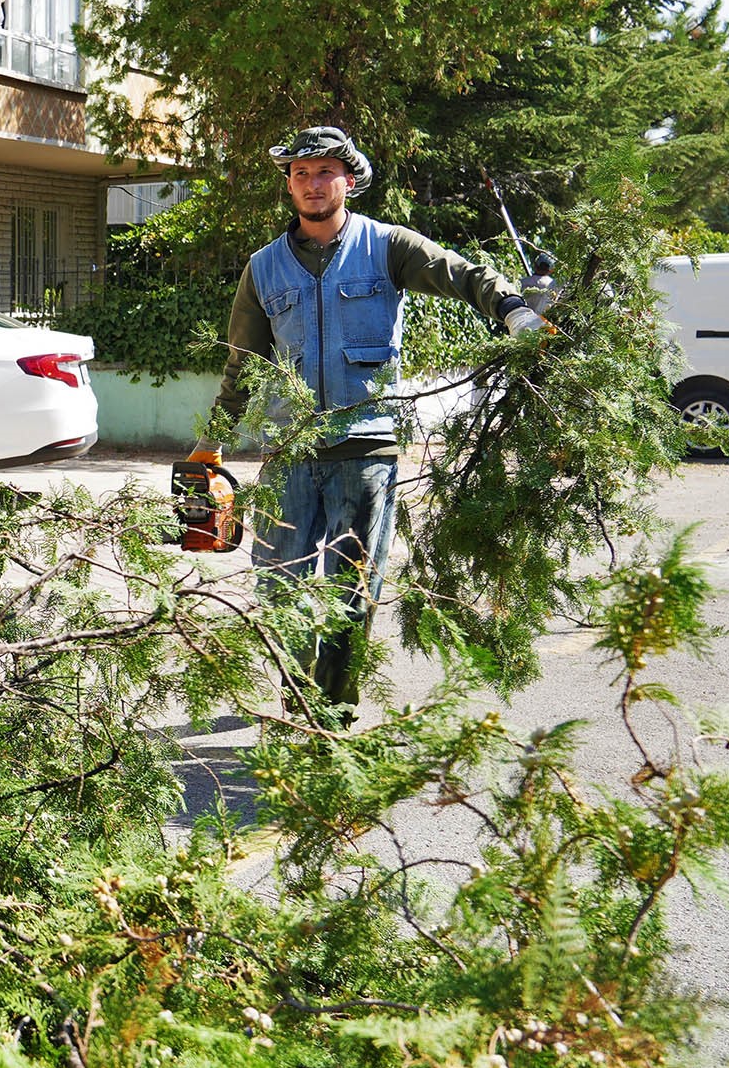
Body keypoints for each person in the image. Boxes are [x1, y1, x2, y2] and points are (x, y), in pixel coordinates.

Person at [201, 126, 551, 712]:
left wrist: (513, 310)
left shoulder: (386, 247)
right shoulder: (263, 270)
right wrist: (211, 444)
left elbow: (461, 274)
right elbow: (245, 364)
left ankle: (331, 711)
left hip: (365, 450)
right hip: (288, 453)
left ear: (350, 178)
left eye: (324, 172)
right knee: (276, 584)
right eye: (300, 173)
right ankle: (298, 700)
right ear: (288, 185)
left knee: (352, 589)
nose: (312, 184)